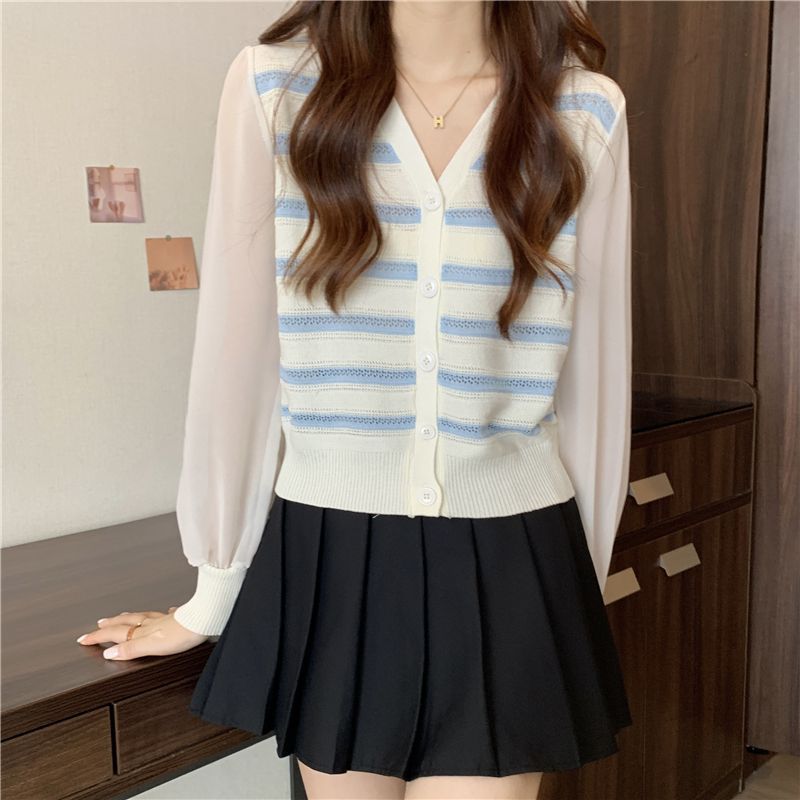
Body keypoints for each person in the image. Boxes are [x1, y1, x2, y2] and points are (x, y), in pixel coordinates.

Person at [78, 1, 633, 797]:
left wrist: (581, 580)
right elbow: (238, 353)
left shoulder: (582, 110)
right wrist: (214, 587)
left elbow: (595, 375)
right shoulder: (276, 91)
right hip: (331, 552)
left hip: (516, 552)